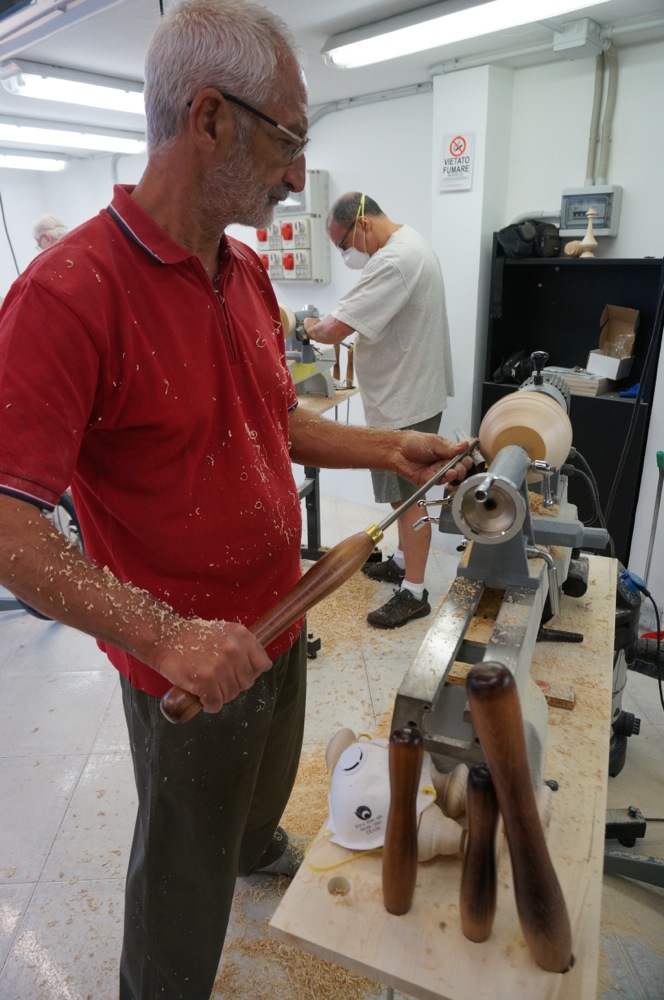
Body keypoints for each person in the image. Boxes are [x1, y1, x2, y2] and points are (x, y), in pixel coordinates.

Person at [0, 2, 471, 997]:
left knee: (260, 789)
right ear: (209, 118)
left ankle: (256, 842)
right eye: (289, 141)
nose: (299, 176)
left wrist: (391, 446)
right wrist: (165, 635)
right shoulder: (68, 294)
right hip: (189, 656)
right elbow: (7, 521)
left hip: (283, 608)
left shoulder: (246, 271)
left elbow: (273, 422)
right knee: (184, 874)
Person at [303, 193, 455, 629]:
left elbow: (333, 329)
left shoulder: (394, 261)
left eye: (343, 244)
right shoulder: (411, 243)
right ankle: (402, 562)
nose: (345, 254)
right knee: (400, 493)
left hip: (404, 401)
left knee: (408, 500)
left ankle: (415, 592)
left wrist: (305, 326)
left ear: (363, 223)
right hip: (410, 392)